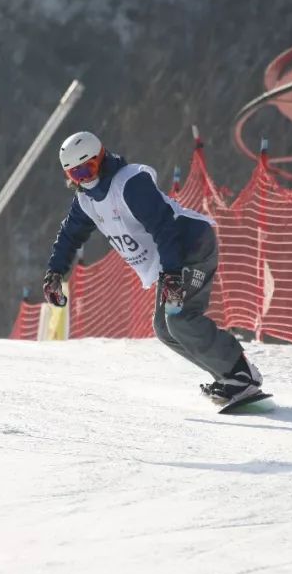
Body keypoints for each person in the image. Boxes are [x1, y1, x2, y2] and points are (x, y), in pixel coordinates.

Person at [42, 131, 263, 403]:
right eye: (75, 175)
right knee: (164, 327)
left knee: (180, 319)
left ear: (100, 158)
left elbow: (164, 227)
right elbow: (69, 236)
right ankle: (230, 377)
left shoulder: (130, 183)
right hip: (171, 259)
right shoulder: (85, 201)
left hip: (191, 246)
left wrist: (171, 275)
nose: (85, 178)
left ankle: (242, 374)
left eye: (88, 168)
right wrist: (55, 272)